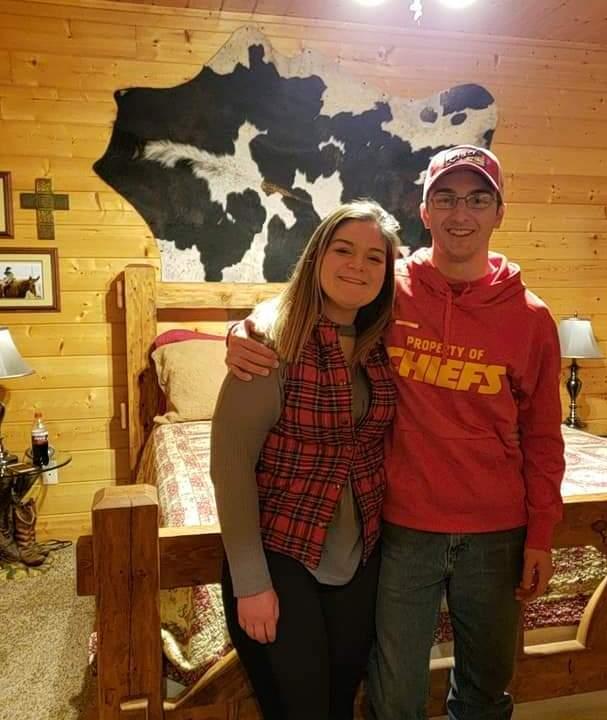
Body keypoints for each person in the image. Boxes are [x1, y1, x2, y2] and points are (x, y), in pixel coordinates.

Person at [226, 145, 565, 719]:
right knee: (394, 694)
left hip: (498, 530)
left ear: (499, 213)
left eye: (477, 200)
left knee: (486, 691)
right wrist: (246, 327)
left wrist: (542, 533)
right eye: (446, 199)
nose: (461, 213)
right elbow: (311, 299)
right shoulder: (388, 287)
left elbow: (543, 436)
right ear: (424, 211)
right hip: (402, 526)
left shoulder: (532, 318)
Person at [211, 199, 401, 720]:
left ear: (388, 272)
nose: (357, 266)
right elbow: (230, 466)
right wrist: (251, 581)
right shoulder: (269, 344)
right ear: (317, 255)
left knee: (340, 701)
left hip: (361, 553)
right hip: (282, 551)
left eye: (374, 258)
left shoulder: (387, 343)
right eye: (343, 250)